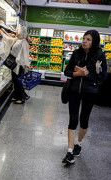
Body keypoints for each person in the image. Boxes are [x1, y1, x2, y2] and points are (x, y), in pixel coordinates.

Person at [62, 30, 107, 164]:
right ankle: (69, 151)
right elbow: (67, 71)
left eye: (88, 40)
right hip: (74, 90)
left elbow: (102, 77)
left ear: (94, 42)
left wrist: (87, 74)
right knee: (73, 119)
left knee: (84, 119)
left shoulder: (100, 55)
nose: (84, 42)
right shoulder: (76, 53)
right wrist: (77, 74)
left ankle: (78, 144)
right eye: (83, 39)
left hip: (90, 91)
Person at [0, 26, 31, 104]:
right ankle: (16, 96)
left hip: (20, 65)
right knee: (14, 80)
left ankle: (21, 98)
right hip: (13, 64)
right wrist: (0, 31)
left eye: (17, 31)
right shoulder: (16, 40)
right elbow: (7, 39)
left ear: (21, 32)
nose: (16, 32)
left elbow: (26, 54)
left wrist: (27, 65)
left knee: (19, 81)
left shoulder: (24, 42)